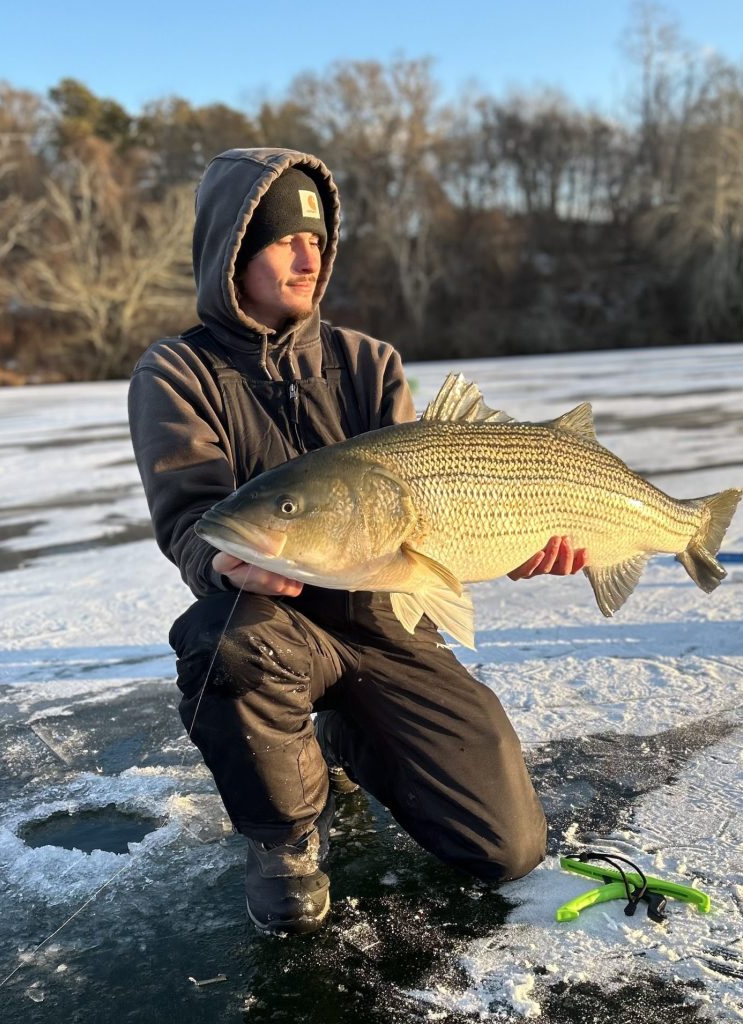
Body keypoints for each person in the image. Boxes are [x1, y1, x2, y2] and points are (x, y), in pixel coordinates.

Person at [128, 148, 588, 936]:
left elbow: (433, 500)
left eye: (319, 240)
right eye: (283, 240)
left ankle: (345, 730)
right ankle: (286, 838)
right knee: (221, 641)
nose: (310, 256)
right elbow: (191, 521)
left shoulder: (368, 361)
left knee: (507, 848)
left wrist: (508, 539)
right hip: (273, 624)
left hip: (385, 621)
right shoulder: (177, 372)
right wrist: (218, 561)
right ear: (233, 249)